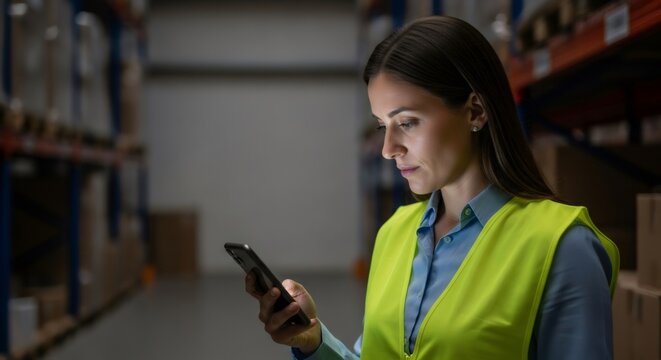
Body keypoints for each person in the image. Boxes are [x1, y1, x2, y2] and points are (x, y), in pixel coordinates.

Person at [245, 16, 619, 359]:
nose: (389, 149)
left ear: (475, 111)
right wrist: (312, 340)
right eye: (382, 126)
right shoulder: (395, 232)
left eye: (406, 122)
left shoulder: (562, 248)